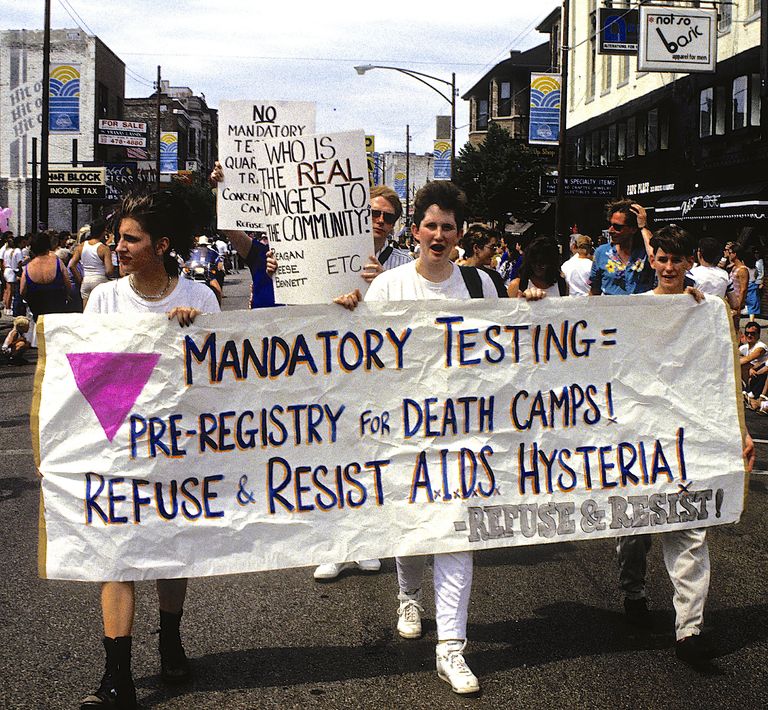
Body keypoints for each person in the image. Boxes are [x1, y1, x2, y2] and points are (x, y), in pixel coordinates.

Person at [335, 182, 504, 695]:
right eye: (430, 225)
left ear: (460, 234)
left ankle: (451, 647)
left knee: (455, 534)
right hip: (402, 430)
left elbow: (513, 347)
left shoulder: (481, 286)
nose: (438, 235)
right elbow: (363, 351)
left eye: (447, 227)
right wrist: (344, 309)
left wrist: (535, 303)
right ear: (416, 231)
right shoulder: (389, 286)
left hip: (463, 432)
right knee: (410, 526)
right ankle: (408, 594)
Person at [79, 189, 220, 710]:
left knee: (168, 551)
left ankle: (170, 641)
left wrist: (195, 335)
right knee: (115, 556)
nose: (119, 247)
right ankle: (116, 675)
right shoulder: (104, 299)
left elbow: (223, 380)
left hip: (179, 448)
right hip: (118, 444)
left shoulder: (201, 298)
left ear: (161, 245)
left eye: (130, 239)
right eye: (118, 239)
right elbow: (88, 374)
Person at [644, 225, 755, 671]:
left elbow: (727, 372)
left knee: (689, 531)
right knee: (632, 533)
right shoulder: (634, 309)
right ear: (653, 261)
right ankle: (632, 588)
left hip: (689, 437)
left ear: (690, 262)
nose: (669, 268)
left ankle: (689, 629)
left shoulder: (708, 310)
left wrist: (741, 432)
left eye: (677, 260)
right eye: (662, 259)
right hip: (640, 437)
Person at [313, 184, 411, 581]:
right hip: (335, 366)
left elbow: (415, 312)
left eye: (388, 217)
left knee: (374, 456)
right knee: (333, 454)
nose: (380, 222)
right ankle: (333, 545)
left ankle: (367, 540)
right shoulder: (327, 254)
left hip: (382, 370)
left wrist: (386, 282)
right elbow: (304, 306)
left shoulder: (406, 261)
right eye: (374, 213)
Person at [590, 200, 653, 296]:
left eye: (617, 227)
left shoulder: (645, 253)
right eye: (610, 225)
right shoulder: (601, 253)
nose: (611, 230)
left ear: (633, 229)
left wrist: (643, 227)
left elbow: (654, 255)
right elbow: (594, 290)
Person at [20, 231, 72, 321]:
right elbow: (68, 283)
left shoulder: (28, 267)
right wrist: (67, 295)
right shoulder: (57, 262)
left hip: (37, 308)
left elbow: (22, 291)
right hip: (57, 305)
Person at [69, 218, 114, 308]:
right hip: (100, 281)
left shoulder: (81, 246)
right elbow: (109, 271)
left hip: (86, 281)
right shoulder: (104, 248)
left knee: (86, 313)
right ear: (102, 232)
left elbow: (71, 265)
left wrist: (80, 280)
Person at [457, 225, 507, 297]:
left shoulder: (494, 277)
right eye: (492, 247)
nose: (495, 252)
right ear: (476, 248)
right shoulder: (456, 276)